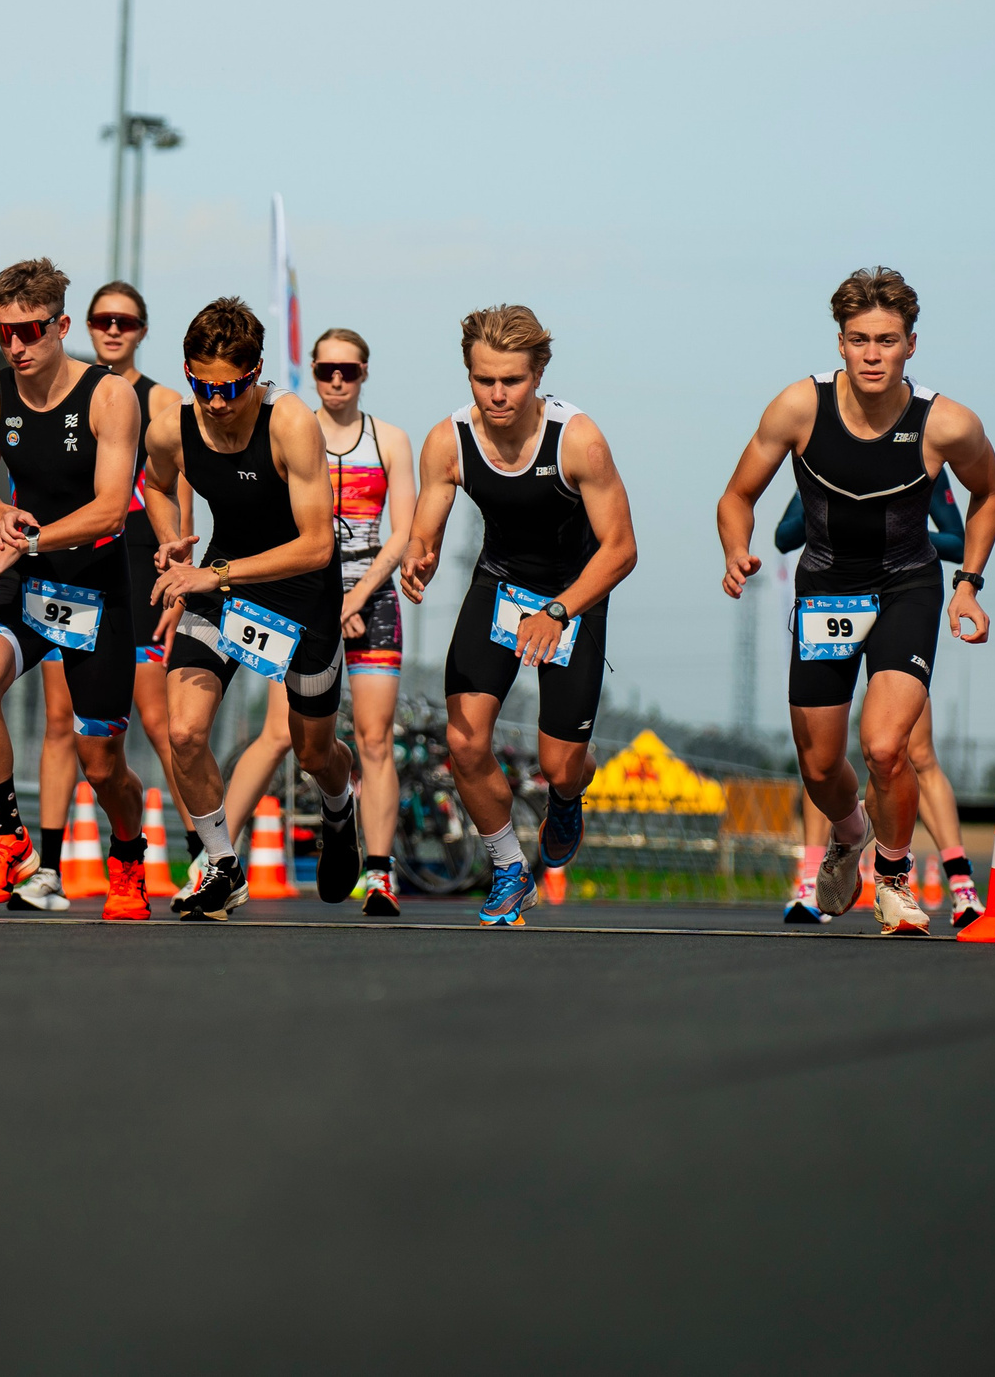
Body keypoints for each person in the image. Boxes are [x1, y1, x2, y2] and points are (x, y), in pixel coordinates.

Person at [716, 268, 995, 937]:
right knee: (820, 763)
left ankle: (896, 880)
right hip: (825, 587)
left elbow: (989, 495)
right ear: (840, 343)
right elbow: (736, 496)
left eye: (888, 340)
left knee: (884, 747)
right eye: (859, 340)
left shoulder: (947, 423)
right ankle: (850, 834)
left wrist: (969, 582)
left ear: (910, 344)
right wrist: (736, 548)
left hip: (907, 583)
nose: (873, 354)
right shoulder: (799, 407)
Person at [401, 305, 637, 926]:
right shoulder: (446, 441)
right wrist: (418, 559)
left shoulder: (578, 440)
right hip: (500, 584)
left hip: (574, 594)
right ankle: (509, 868)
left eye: (512, 380)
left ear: (539, 374)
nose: (497, 394)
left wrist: (558, 611)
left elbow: (621, 549)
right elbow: (426, 525)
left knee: (559, 763)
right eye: (484, 380)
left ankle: (567, 795)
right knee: (463, 739)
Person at [143, 297, 359, 921]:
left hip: (300, 590)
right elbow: (156, 484)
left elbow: (318, 545)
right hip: (224, 581)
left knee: (313, 752)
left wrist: (210, 573)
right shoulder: (171, 427)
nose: (216, 402)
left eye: (232, 388)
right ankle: (222, 866)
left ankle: (338, 804)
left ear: (257, 371)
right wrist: (169, 538)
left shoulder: (290, 422)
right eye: (202, 386)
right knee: (183, 730)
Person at [0, 258, 155, 919]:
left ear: (61, 325)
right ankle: (11, 838)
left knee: (101, 764)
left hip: (95, 587)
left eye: (29, 331)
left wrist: (25, 540)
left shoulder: (108, 396)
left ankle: (128, 853)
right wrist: (0, 514)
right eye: (2, 332)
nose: (15, 346)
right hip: (31, 577)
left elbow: (109, 507)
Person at [192, 329, 419, 915]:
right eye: (325, 370)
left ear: (365, 372)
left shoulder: (388, 439)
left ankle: (379, 872)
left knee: (372, 737)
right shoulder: (289, 426)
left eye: (348, 370)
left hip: (367, 597)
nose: (337, 380)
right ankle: (214, 860)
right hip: (293, 589)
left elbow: (403, 532)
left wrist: (359, 594)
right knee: (285, 739)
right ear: (312, 372)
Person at [4, 280, 188, 913]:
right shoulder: (54, 390)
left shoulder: (157, 399)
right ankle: (47, 869)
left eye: (127, 322)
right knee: (63, 723)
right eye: (103, 320)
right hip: (65, 564)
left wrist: (175, 573)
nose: (114, 330)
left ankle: (203, 856)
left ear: (142, 329)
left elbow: (173, 490)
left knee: (157, 724)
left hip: (133, 563)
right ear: (78, 325)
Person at [773, 479, 984, 929]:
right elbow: (783, 534)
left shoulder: (923, 451)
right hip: (837, 599)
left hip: (898, 597)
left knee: (908, 751)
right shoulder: (825, 450)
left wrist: (901, 535)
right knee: (821, 756)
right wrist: (837, 525)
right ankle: (813, 881)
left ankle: (960, 887)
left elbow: (958, 538)